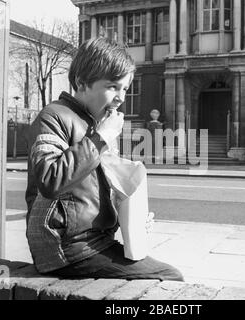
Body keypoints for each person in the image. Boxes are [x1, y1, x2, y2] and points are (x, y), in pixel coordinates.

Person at [25, 37, 184, 282]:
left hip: (95, 242)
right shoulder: (54, 116)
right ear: (81, 82)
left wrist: (132, 218)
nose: (121, 97)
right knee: (169, 278)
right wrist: (101, 138)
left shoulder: (99, 124)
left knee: (167, 274)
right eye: (112, 86)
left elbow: (98, 194)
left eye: (125, 88)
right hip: (65, 248)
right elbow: (49, 180)